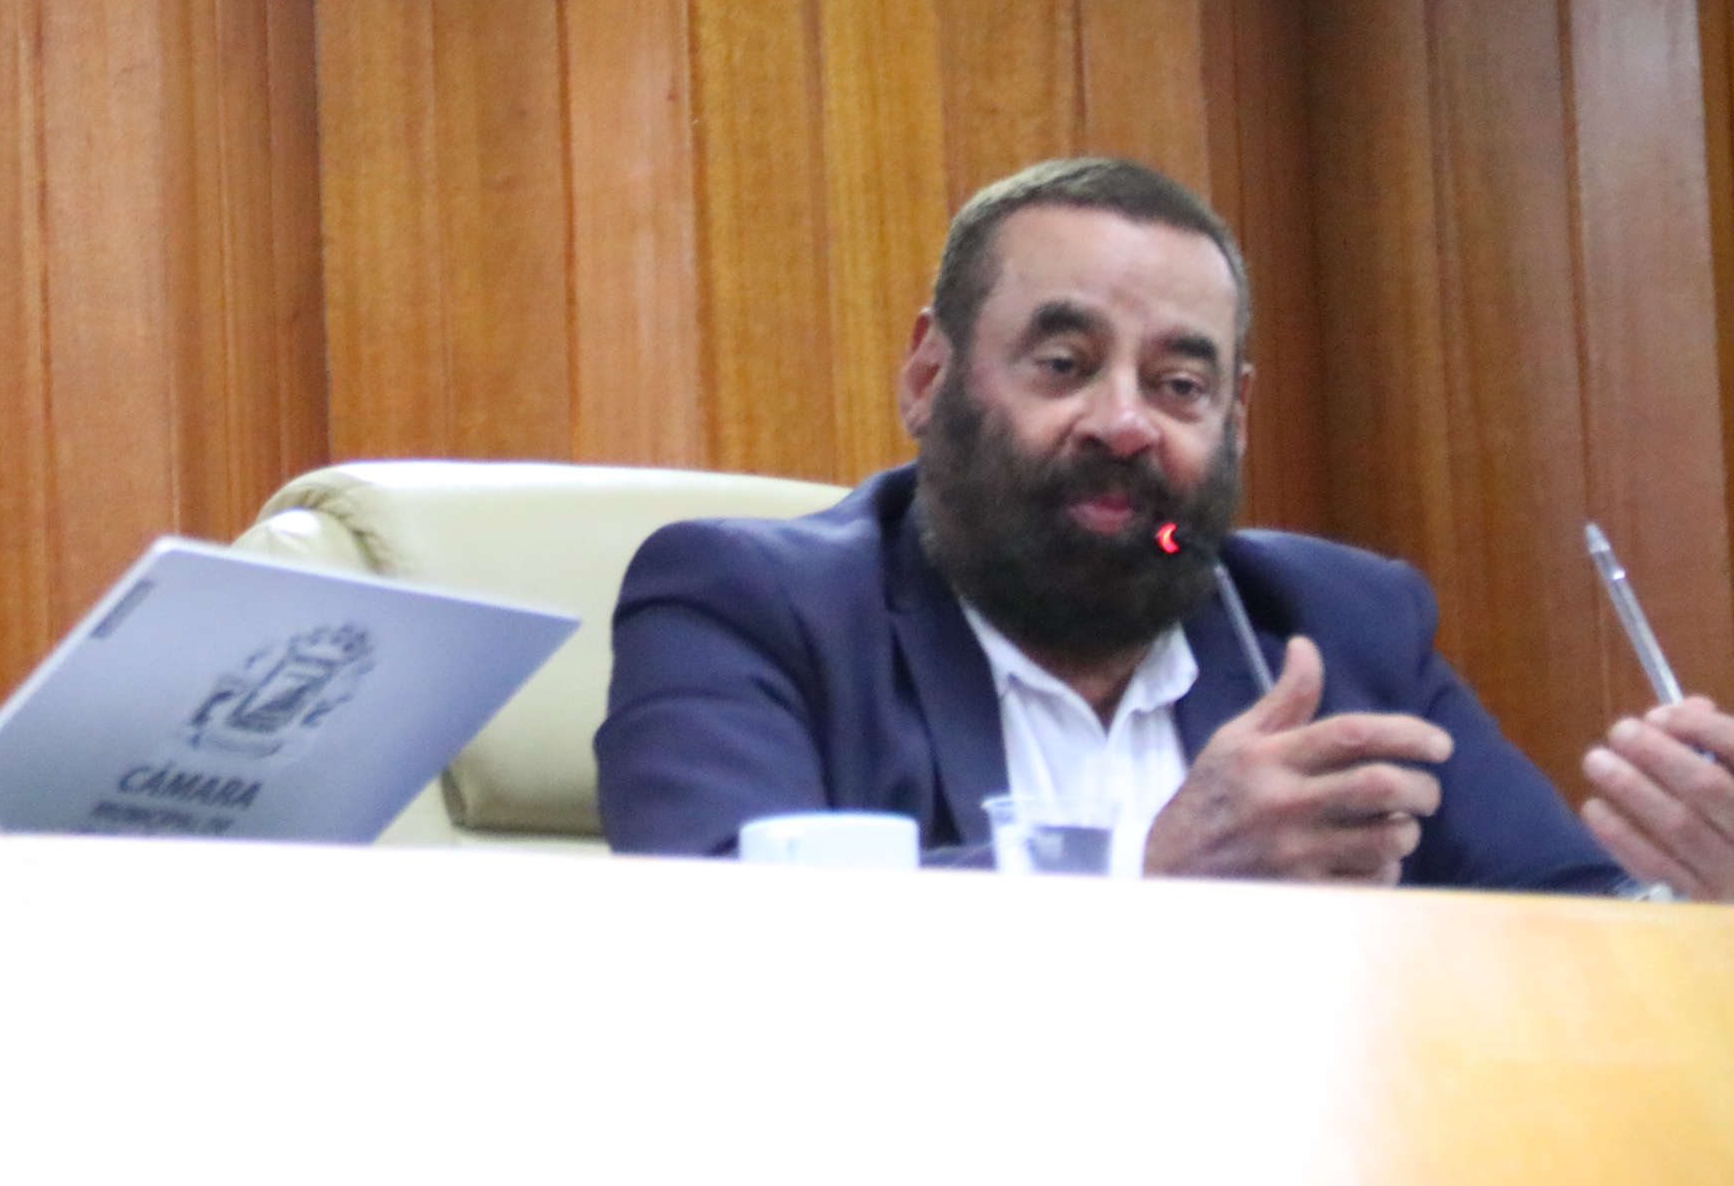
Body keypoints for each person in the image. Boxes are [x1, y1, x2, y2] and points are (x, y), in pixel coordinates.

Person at [597, 156, 1734, 896]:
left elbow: (1561, 926)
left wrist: (1695, 905)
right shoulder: (744, 601)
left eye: (1181, 386)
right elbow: (718, 949)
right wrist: (1149, 874)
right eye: (1064, 364)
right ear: (929, 375)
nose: (1127, 423)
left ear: (1235, 418)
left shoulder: (1335, 621)